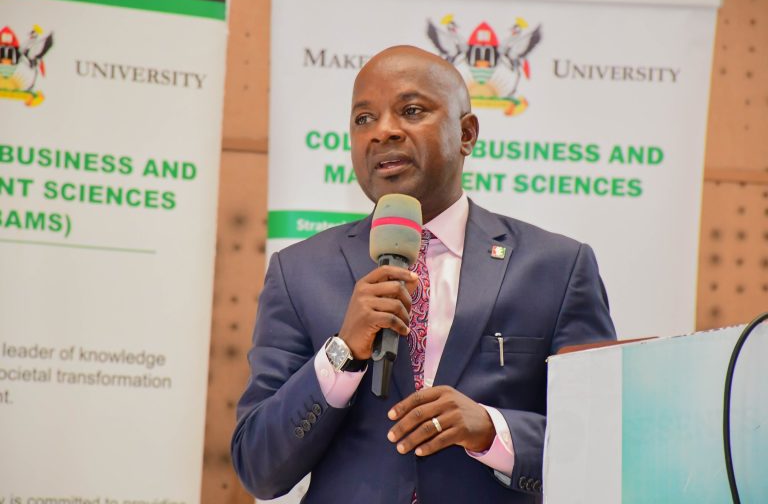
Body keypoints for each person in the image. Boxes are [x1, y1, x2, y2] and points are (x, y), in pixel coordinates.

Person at [231, 45, 616, 503]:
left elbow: (602, 443)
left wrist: (492, 430)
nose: (383, 131)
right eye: (364, 119)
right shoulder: (299, 272)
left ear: (466, 134)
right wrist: (342, 354)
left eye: (411, 111)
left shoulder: (557, 267)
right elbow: (258, 466)